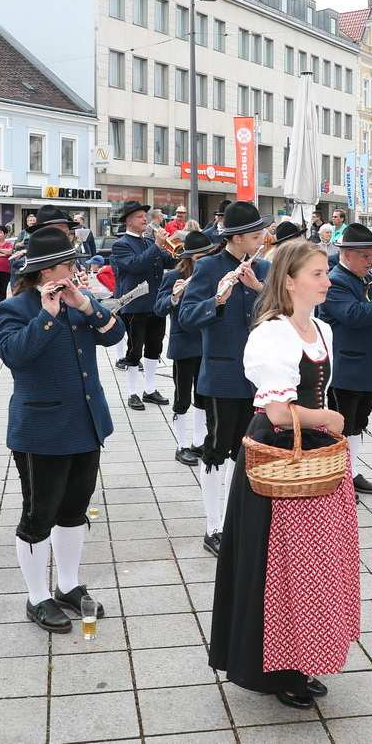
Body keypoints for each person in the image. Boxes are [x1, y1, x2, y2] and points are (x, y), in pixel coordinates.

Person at [209, 239, 358, 710]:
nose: (326, 280)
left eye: (325, 272)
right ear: (290, 280)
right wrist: (330, 421)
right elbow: (276, 409)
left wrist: (325, 424)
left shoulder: (323, 329)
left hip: (314, 456)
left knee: (315, 566)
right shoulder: (271, 335)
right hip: (279, 456)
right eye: (317, 273)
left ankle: (301, 657)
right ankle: (275, 666)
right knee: (281, 568)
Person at [0, 227, 126, 632]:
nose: (77, 270)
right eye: (70, 264)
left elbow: (117, 335)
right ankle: (36, 597)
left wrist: (87, 306)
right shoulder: (16, 307)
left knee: (74, 511)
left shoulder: (77, 301)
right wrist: (47, 317)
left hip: (86, 423)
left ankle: (68, 584)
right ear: (48, 270)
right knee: (39, 515)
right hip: (41, 429)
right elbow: (14, 354)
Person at [178, 200, 272, 557]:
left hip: (258, 376)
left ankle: (239, 520)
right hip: (222, 373)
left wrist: (259, 288)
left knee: (249, 450)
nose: (262, 237)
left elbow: (281, 311)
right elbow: (186, 317)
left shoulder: (263, 266)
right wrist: (217, 300)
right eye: (255, 233)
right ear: (237, 237)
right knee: (217, 449)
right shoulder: (208, 267)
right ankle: (213, 525)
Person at [319, 222, 372, 491]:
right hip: (346, 368)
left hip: (366, 366)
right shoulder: (335, 282)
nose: (371, 261)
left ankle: (350, 475)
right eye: (365, 255)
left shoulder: (368, 278)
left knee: (358, 423)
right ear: (347, 254)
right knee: (341, 426)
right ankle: (337, 482)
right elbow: (354, 315)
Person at [154, 231, 218, 468]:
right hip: (183, 345)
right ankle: (181, 445)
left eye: (208, 255)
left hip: (208, 343)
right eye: (200, 257)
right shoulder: (174, 275)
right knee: (182, 397)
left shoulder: (213, 274)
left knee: (203, 397)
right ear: (189, 257)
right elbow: (159, 308)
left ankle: (198, 442)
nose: (205, 260)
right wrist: (174, 296)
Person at [111, 200, 176, 410]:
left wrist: (179, 250)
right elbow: (136, 265)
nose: (145, 220)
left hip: (155, 304)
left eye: (145, 216)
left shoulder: (149, 242)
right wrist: (157, 246)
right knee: (134, 350)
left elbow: (168, 262)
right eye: (140, 217)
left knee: (154, 348)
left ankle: (149, 389)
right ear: (129, 221)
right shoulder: (120, 245)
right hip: (134, 305)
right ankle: (132, 393)